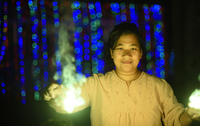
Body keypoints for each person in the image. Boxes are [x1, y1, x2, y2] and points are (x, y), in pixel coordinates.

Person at [44, 22, 200, 126]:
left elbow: (176, 119)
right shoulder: (96, 85)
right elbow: (65, 104)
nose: (126, 54)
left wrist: (191, 114)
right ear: (111, 53)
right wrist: (55, 94)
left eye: (132, 48)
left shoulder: (159, 87)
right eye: (120, 48)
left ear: (140, 53)